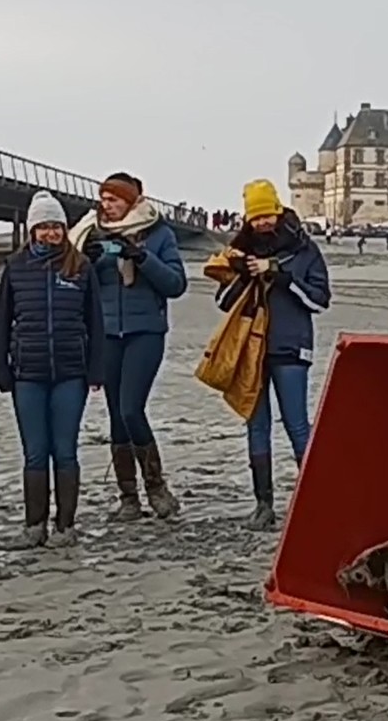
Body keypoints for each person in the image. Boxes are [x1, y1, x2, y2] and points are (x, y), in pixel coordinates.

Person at [70, 171, 188, 521]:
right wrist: (86, 260)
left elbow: (175, 284)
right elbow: (74, 283)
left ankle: (156, 487)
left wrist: (140, 257)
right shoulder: (90, 232)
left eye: (115, 200)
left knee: (130, 409)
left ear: (132, 202)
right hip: (106, 333)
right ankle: (128, 498)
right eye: (104, 199)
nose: (107, 206)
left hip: (145, 331)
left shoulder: (159, 234)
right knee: (116, 417)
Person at [214, 180, 331, 531]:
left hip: (292, 346)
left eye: (267, 215)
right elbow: (222, 303)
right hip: (251, 348)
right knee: (256, 424)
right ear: (248, 219)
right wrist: (242, 276)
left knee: (297, 424)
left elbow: (320, 300)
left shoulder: (304, 248)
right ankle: (263, 505)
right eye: (256, 217)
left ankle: (316, 500)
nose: (263, 223)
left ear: (278, 211)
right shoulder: (240, 250)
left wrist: (280, 276)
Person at [0, 192, 105, 549]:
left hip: (71, 373)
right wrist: (1, 368)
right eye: (43, 227)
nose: (50, 233)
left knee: (65, 450)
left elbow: (95, 322)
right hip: (28, 373)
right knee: (35, 452)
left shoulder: (81, 267)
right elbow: (1, 322)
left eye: (56, 226)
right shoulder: (15, 266)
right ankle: (33, 526)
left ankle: (66, 526)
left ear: (64, 229)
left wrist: (96, 369)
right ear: (33, 230)